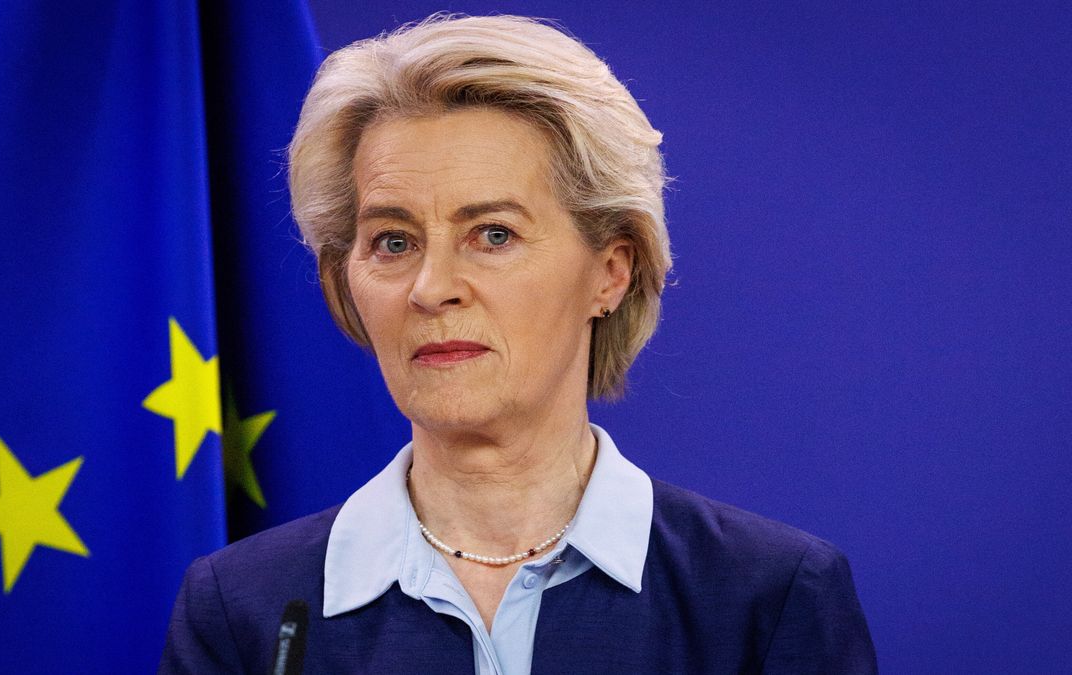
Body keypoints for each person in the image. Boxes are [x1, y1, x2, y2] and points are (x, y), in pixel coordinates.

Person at [160, 14, 876, 674]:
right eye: (394, 241)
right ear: (344, 281)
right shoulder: (243, 613)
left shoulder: (768, 600)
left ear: (610, 271)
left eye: (493, 234)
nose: (432, 287)